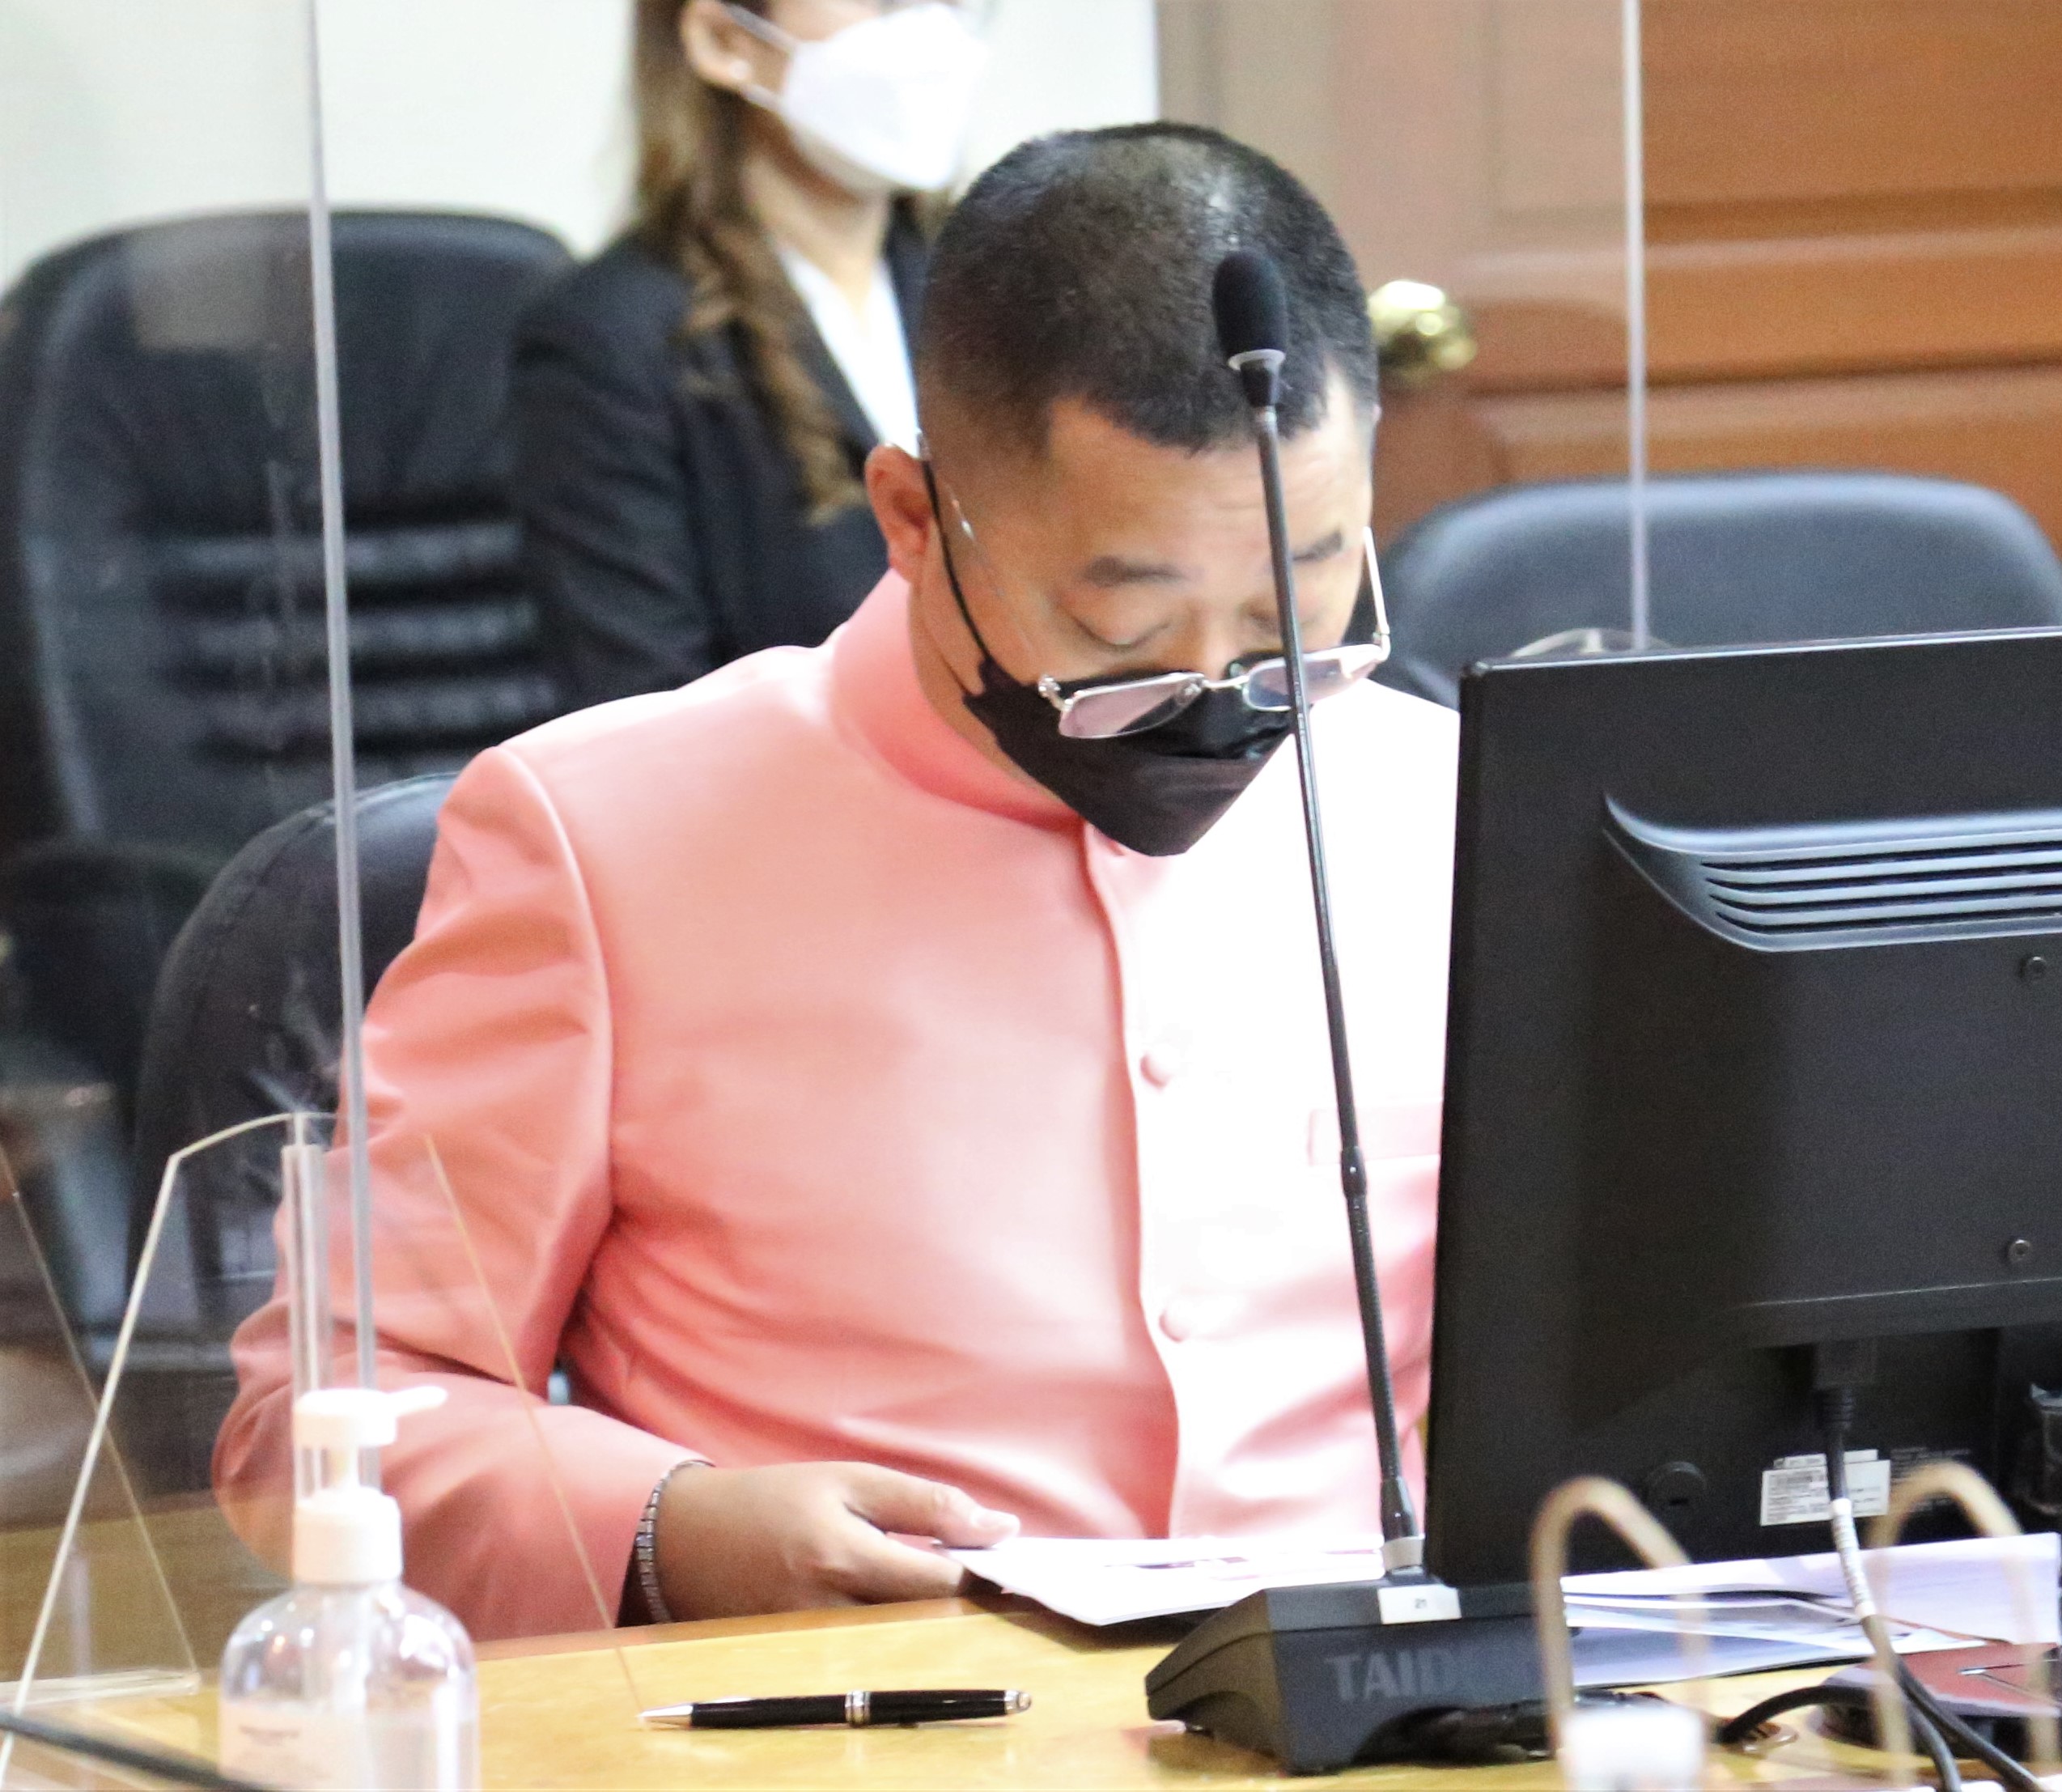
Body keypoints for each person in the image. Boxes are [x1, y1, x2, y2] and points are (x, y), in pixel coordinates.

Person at [215, 124, 1460, 1642]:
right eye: (1123, 636)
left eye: (1294, 609)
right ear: (912, 519)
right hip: (848, 1710)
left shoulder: (1446, 803)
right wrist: (665, 1529)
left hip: (1393, 1702)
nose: (1217, 695)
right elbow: (319, 1414)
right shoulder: (606, 839)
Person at [514, 0, 989, 711]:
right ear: (724, 39)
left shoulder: (991, 287)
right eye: (883, 3)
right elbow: (644, 709)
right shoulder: (610, 337)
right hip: (780, 778)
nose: (930, 32)